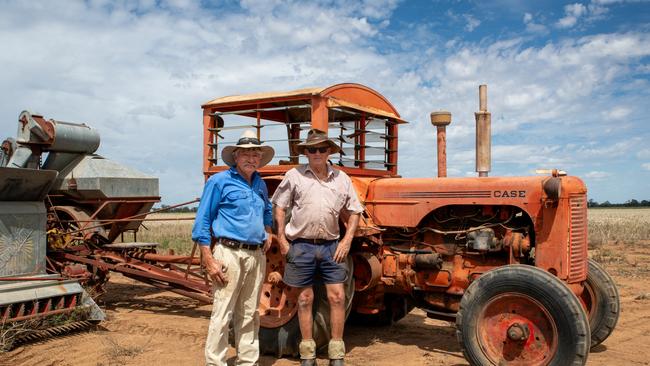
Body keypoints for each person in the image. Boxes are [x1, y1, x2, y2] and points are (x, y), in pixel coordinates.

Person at [271, 129, 363, 366]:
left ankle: (336, 353)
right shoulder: (294, 175)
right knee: (304, 299)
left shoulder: (342, 178)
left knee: (337, 297)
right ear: (306, 153)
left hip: (332, 246)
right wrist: (281, 238)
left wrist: (347, 240)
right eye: (312, 149)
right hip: (301, 245)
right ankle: (307, 352)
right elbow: (280, 206)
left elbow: (355, 211)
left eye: (322, 149)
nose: (317, 153)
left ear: (329, 151)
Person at [191, 129, 275, 366]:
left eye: (255, 154)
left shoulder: (259, 183)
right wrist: (208, 258)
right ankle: (215, 362)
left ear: (260, 158)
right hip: (229, 253)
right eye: (246, 154)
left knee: (249, 312)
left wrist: (268, 230)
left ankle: (247, 361)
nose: (251, 158)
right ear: (236, 156)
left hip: (256, 255)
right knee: (223, 312)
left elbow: (267, 209)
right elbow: (203, 221)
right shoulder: (219, 181)